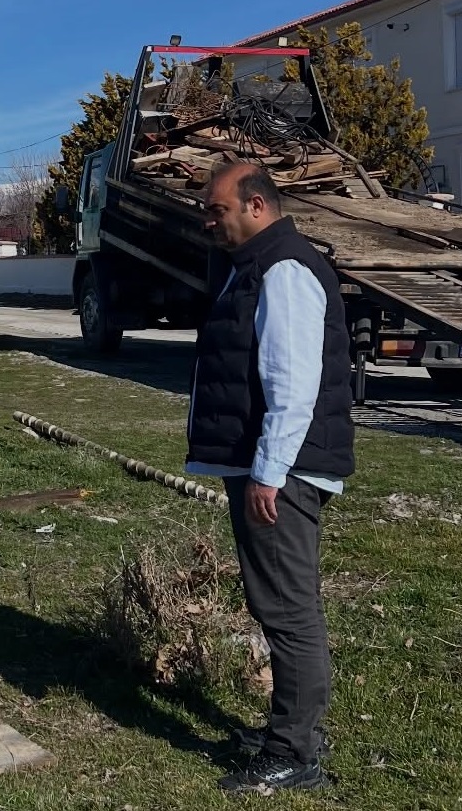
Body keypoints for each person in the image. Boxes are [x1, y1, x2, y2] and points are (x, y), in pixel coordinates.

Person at [186, 163, 354, 794]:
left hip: (282, 472)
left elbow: (292, 382)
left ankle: (295, 752)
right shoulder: (259, 265)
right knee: (277, 602)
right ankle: (294, 731)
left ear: (256, 206)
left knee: (287, 610)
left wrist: (269, 472)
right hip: (271, 466)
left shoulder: (284, 270)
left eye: (216, 209)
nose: (209, 219)